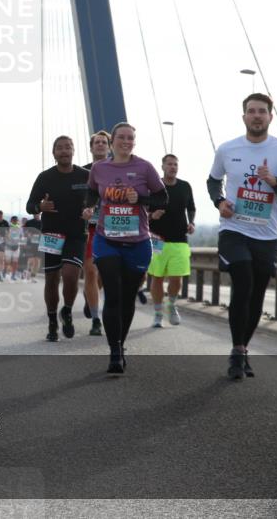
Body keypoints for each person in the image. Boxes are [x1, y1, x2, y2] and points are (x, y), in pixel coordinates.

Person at [208, 93, 277, 381]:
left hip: (266, 236)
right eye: (252, 111)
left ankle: (243, 348)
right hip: (234, 230)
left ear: (270, 117)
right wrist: (219, 202)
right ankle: (237, 351)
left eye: (262, 111)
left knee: (257, 294)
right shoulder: (227, 149)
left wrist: (273, 181)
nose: (257, 116)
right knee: (243, 281)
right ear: (244, 116)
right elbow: (213, 181)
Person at [84, 123, 167, 373]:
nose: (126, 141)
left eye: (130, 138)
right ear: (112, 141)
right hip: (106, 239)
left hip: (137, 243)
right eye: (121, 137)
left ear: (134, 142)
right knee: (113, 294)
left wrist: (140, 199)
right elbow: (91, 193)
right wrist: (89, 207)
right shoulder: (99, 168)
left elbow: (162, 198)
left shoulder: (145, 167)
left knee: (128, 298)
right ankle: (115, 351)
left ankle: (120, 344)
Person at [26, 136, 90, 342]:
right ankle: (52, 320)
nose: (64, 151)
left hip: (76, 234)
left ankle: (67, 311)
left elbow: (97, 199)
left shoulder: (85, 175)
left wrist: (91, 209)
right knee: (52, 279)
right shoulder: (45, 177)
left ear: (73, 151)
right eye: (60, 148)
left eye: (68, 147)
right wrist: (39, 207)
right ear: (54, 153)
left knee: (71, 275)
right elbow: (30, 205)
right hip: (51, 234)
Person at [147, 154, 196, 327]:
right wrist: (152, 215)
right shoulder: (153, 187)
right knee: (157, 278)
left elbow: (191, 208)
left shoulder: (185, 186)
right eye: (169, 164)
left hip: (180, 239)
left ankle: (172, 304)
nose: (173, 167)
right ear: (162, 167)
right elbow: (142, 211)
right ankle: (158, 314)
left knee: (176, 278)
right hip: (157, 239)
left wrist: (191, 222)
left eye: (175, 164)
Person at [82, 130, 110, 335]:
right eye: (97, 142)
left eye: (104, 142)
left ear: (109, 147)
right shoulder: (81, 172)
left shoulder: (119, 170)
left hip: (113, 228)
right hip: (90, 228)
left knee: (106, 273)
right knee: (91, 272)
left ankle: (91, 295)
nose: (100, 144)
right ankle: (96, 319)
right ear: (91, 147)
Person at [23, 213, 42, 282]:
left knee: (37, 261)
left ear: (40, 214)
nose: (35, 215)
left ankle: (33, 276)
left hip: (39, 244)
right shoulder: (29, 222)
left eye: (37, 213)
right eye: (34, 214)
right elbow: (24, 231)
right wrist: (27, 234)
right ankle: (28, 272)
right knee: (31, 260)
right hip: (30, 244)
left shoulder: (43, 222)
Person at [5, 216, 24, 281]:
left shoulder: (20, 228)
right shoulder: (8, 227)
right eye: (14, 220)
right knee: (8, 261)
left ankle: (13, 275)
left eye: (16, 220)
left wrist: (21, 240)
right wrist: (8, 238)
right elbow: (6, 236)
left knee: (15, 262)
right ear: (11, 221)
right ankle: (6, 272)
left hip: (16, 246)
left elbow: (22, 236)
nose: (15, 222)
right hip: (8, 246)